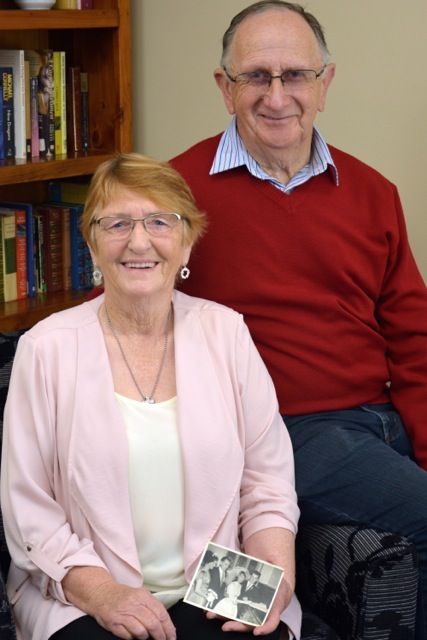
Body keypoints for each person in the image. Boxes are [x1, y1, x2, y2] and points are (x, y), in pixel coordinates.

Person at [169, 2, 427, 637]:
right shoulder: (176, 192)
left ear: (326, 83)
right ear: (224, 88)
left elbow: (413, 335)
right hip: (288, 429)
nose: (277, 96)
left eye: (296, 75)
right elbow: (132, 308)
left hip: (379, 422)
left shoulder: (373, 191)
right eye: (256, 76)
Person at [0, 152, 301, 640]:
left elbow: (266, 482)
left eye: (160, 221)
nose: (138, 241)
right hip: (87, 586)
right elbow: (29, 511)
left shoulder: (224, 332)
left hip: (216, 578)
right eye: (117, 223)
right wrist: (103, 594)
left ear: (186, 243)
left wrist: (275, 582)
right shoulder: (47, 348)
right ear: (93, 247)